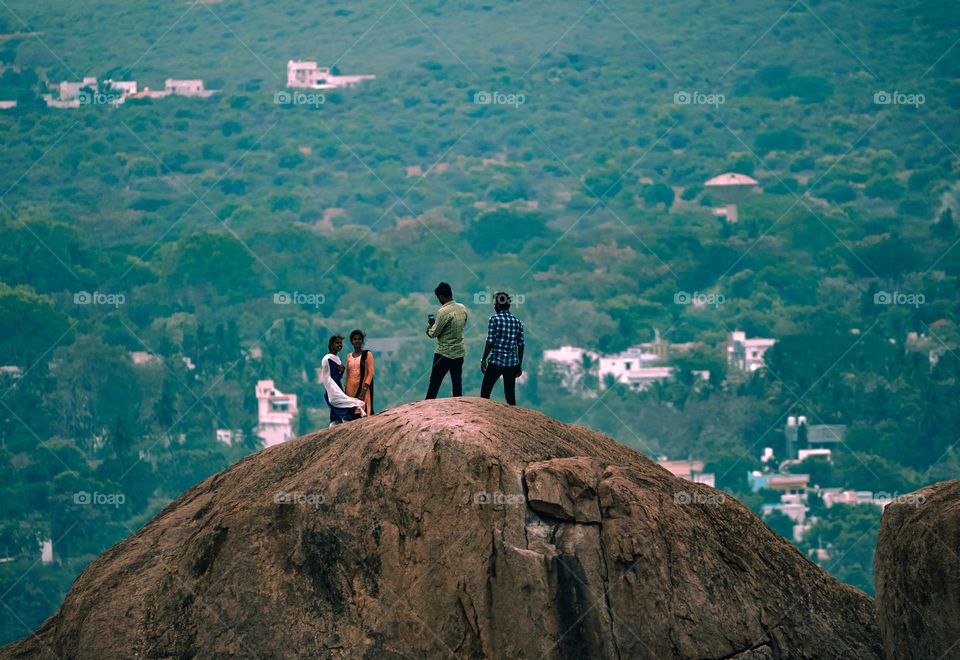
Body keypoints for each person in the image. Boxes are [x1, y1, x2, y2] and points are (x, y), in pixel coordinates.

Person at [425, 282, 468, 399]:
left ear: (441, 297)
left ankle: (427, 406)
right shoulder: (462, 308)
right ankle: (459, 406)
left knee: (434, 383)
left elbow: (433, 333)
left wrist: (430, 326)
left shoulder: (443, 311)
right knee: (457, 382)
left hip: (443, 353)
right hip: (459, 352)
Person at [480, 292, 524, 406]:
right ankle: (514, 419)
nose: (494, 306)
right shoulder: (517, 321)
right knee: (510, 396)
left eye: (495, 304)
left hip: (496, 361)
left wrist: (483, 359)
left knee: (485, 392)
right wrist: (519, 364)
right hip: (511, 364)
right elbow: (521, 344)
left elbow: (490, 341)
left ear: (498, 306)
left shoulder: (494, 319)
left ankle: (484, 416)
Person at [319, 335, 366, 426]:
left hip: (337, 388)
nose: (339, 345)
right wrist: (335, 390)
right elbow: (328, 377)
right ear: (331, 345)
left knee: (336, 415)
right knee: (344, 411)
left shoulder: (337, 359)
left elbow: (337, 376)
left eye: (341, 343)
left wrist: (342, 371)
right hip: (332, 390)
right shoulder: (328, 358)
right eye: (337, 343)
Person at [344, 329, 375, 416]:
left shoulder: (367, 354)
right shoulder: (349, 356)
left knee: (363, 413)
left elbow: (370, 373)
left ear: (362, 341)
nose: (357, 341)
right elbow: (348, 375)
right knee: (351, 414)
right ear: (351, 341)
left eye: (359, 339)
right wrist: (345, 392)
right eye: (355, 339)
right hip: (350, 390)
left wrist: (364, 390)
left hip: (362, 388)